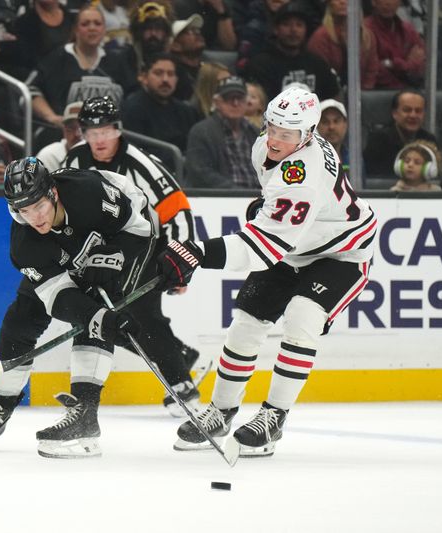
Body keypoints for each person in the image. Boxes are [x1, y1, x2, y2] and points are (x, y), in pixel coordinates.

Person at [158, 86, 376, 457]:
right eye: (271, 127)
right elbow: (274, 219)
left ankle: (273, 417)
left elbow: (261, 249)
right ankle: (222, 411)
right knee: (245, 321)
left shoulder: (305, 174)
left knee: (303, 315)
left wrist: (197, 253)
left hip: (342, 253)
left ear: (307, 135)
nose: (274, 139)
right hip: (298, 246)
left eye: (286, 134)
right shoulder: (268, 145)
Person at [0, 157, 155, 457]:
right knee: (21, 318)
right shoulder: (24, 242)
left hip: (125, 233)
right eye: (23, 210)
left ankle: (86, 413)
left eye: (38, 206)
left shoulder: (89, 193)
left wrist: (115, 255)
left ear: (53, 194)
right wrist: (96, 318)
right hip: (66, 258)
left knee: (99, 300)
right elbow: (58, 297)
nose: (34, 217)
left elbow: (140, 229)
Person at [65, 95, 201, 415]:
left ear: (119, 130)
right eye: (91, 132)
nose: (99, 139)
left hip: (145, 248)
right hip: (99, 253)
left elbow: (178, 211)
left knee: (145, 317)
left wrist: (181, 262)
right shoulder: (74, 161)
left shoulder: (140, 163)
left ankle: (182, 385)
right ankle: (178, 354)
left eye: (106, 131)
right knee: (101, 318)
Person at [30, 5, 136, 128]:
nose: (92, 28)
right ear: (75, 30)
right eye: (85, 24)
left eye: (97, 24)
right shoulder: (58, 58)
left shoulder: (117, 60)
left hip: (107, 136)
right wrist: (51, 117)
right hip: (67, 135)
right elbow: (31, 91)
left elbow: (132, 97)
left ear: (104, 30)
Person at [242, 0, 341, 102]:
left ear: (306, 30)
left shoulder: (317, 63)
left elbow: (333, 99)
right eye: (286, 24)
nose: (293, 30)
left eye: (299, 25)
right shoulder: (260, 65)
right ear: (276, 29)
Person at [121, 52, 201, 165]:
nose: (165, 80)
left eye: (171, 74)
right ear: (143, 77)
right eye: (158, 73)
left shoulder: (187, 111)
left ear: (177, 79)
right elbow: (135, 154)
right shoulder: (131, 109)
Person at [185, 76, 259, 188]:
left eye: (240, 98)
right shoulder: (201, 131)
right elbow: (201, 174)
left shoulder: (255, 132)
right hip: (218, 199)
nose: (235, 103)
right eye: (229, 98)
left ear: (246, 101)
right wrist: (238, 193)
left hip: (258, 199)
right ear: (217, 102)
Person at [363, 89, 437, 177]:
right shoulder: (379, 140)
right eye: (407, 110)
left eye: (418, 111)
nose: (413, 115)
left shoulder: (429, 140)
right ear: (395, 113)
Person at [306, 0, 379, 89]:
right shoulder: (320, 37)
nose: (342, 2)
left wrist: (363, 94)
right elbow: (320, 72)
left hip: (362, 93)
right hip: (330, 94)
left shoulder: (367, 36)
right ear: (329, 3)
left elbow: (372, 70)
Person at [365, 0, 426, 88]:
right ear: (373, 2)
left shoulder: (408, 30)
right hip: (376, 92)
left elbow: (421, 66)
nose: (388, 3)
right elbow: (374, 70)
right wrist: (406, 65)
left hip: (411, 90)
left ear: (400, 2)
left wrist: (392, 64)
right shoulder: (366, 30)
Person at [35, 101, 83, 171]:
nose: (76, 134)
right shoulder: (49, 156)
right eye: (70, 128)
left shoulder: (101, 155)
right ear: (64, 131)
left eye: (82, 129)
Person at [170, 14, 206, 101]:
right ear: (175, 46)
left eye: (197, 30)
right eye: (189, 32)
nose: (197, 34)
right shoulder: (173, 74)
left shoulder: (207, 69)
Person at [317, 98, 349, 173]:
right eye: (325, 122)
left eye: (336, 121)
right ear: (317, 126)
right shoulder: (308, 159)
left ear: (345, 124)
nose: (331, 127)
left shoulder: (354, 159)